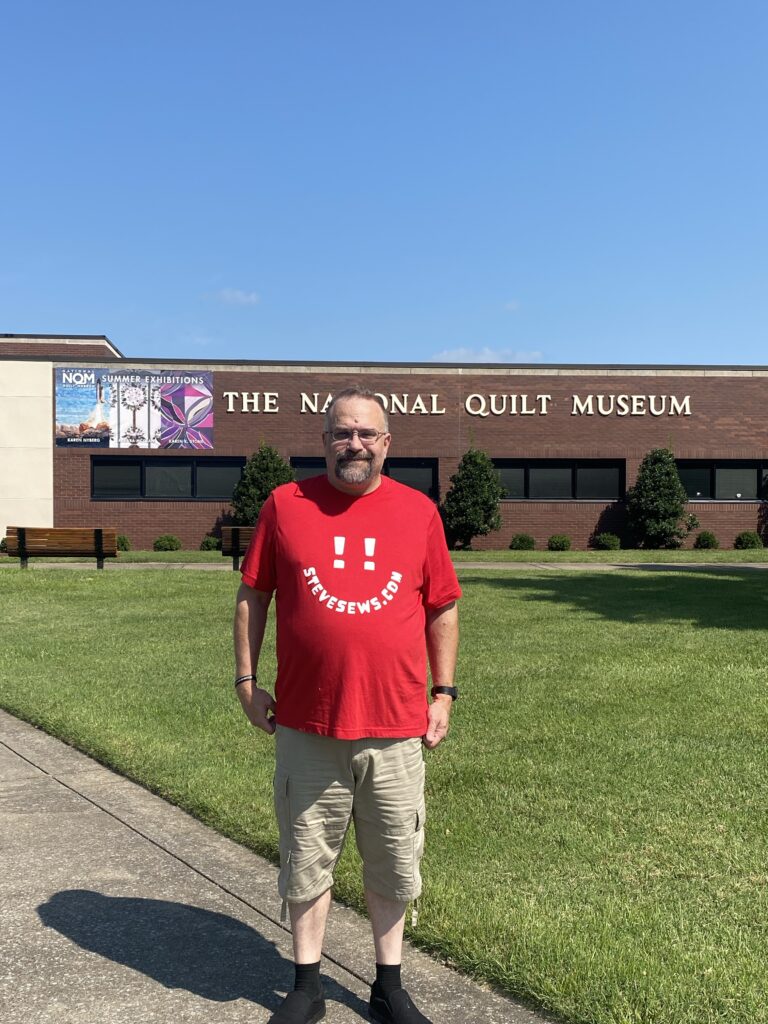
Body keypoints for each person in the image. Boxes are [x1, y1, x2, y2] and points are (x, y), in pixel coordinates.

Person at [233, 386, 460, 1024]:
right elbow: (253, 596)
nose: (353, 444)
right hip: (309, 721)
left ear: (387, 444)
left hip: (395, 724)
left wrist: (443, 693)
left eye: (366, 433)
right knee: (307, 855)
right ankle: (306, 985)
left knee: (392, 858)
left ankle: (388, 985)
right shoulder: (285, 504)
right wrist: (247, 682)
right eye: (341, 433)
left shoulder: (418, 512)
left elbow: (442, 606)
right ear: (324, 441)